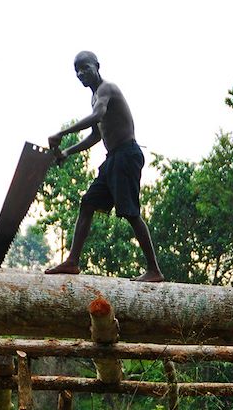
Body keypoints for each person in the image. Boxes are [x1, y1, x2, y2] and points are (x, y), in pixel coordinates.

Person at [45, 51, 165, 282]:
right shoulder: (94, 97)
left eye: (85, 68)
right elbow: (95, 136)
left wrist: (62, 133)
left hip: (127, 155)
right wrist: (67, 152)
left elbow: (98, 115)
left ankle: (154, 270)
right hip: (113, 159)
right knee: (88, 203)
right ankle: (72, 262)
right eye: (77, 71)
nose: (81, 74)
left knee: (129, 212)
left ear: (97, 66)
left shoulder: (106, 89)